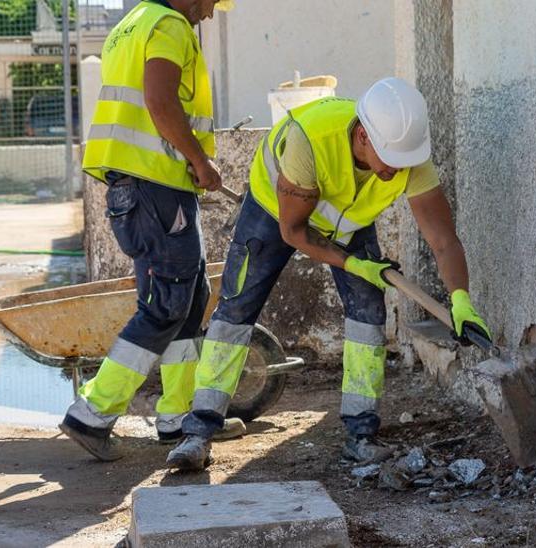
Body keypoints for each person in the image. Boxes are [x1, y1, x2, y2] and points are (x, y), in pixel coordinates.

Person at [166, 77, 493, 470]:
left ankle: (361, 433)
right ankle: (198, 432)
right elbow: (295, 231)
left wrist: (461, 300)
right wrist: (354, 263)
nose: (396, 170)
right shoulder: (311, 141)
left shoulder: (407, 158)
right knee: (237, 309)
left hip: (348, 223)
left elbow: (443, 240)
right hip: (275, 212)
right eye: (389, 158)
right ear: (362, 136)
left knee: (369, 315)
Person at [58, 0, 239, 462]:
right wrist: (199, 159)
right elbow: (160, 103)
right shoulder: (170, 24)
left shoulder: (131, 24)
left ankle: (178, 415)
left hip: (145, 190)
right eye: (211, 3)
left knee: (189, 300)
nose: (211, 14)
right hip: (156, 188)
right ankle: (93, 413)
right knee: (168, 305)